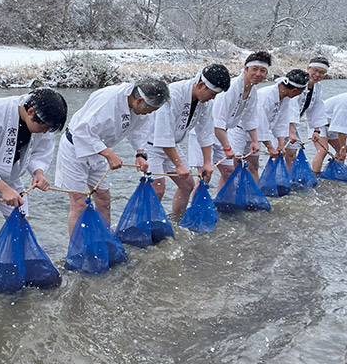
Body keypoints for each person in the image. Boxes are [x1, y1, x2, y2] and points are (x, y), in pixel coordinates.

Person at [0, 88, 67, 276]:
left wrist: (38, 172)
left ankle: (18, 272)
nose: (46, 132)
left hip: (11, 177)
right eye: (44, 127)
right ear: (31, 111)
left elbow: (41, 151)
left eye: (50, 129)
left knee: (22, 228)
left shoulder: (43, 123)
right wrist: (2, 188)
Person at [55, 79, 169, 234]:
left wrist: (140, 153)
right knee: (79, 203)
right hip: (75, 150)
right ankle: (77, 250)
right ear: (140, 100)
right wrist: (109, 154)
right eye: (150, 110)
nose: (150, 114)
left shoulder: (138, 106)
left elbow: (139, 130)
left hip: (100, 150)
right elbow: (81, 131)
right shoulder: (107, 100)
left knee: (103, 199)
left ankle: (104, 240)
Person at [147, 64, 231, 216]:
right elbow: (163, 135)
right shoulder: (173, 94)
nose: (213, 98)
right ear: (200, 85)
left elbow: (205, 133)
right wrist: (179, 165)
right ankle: (149, 227)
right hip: (150, 145)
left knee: (187, 185)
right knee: (158, 189)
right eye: (212, 94)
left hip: (172, 145)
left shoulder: (205, 102)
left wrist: (207, 162)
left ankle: (177, 219)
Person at [190, 52, 270, 191]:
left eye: (263, 71)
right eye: (254, 69)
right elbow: (217, 123)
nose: (258, 74)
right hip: (203, 132)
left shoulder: (253, 91)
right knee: (205, 175)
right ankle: (195, 209)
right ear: (245, 69)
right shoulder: (230, 88)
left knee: (229, 172)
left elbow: (249, 119)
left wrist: (255, 141)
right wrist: (227, 147)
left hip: (221, 133)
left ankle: (222, 204)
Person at [230, 69, 309, 182]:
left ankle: (254, 194)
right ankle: (233, 194)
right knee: (235, 166)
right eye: (299, 93)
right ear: (295, 90)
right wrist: (270, 147)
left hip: (256, 135)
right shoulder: (266, 96)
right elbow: (261, 123)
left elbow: (281, 121)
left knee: (254, 165)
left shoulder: (285, 97)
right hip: (239, 130)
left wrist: (281, 144)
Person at [285, 57, 329, 167]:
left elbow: (317, 109)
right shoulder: (297, 82)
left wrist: (316, 130)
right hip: (281, 120)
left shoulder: (317, 87)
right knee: (280, 152)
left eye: (322, 73)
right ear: (308, 68)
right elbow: (291, 107)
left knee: (291, 154)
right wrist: (291, 131)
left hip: (293, 123)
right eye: (315, 70)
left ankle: (288, 179)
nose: (318, 75)